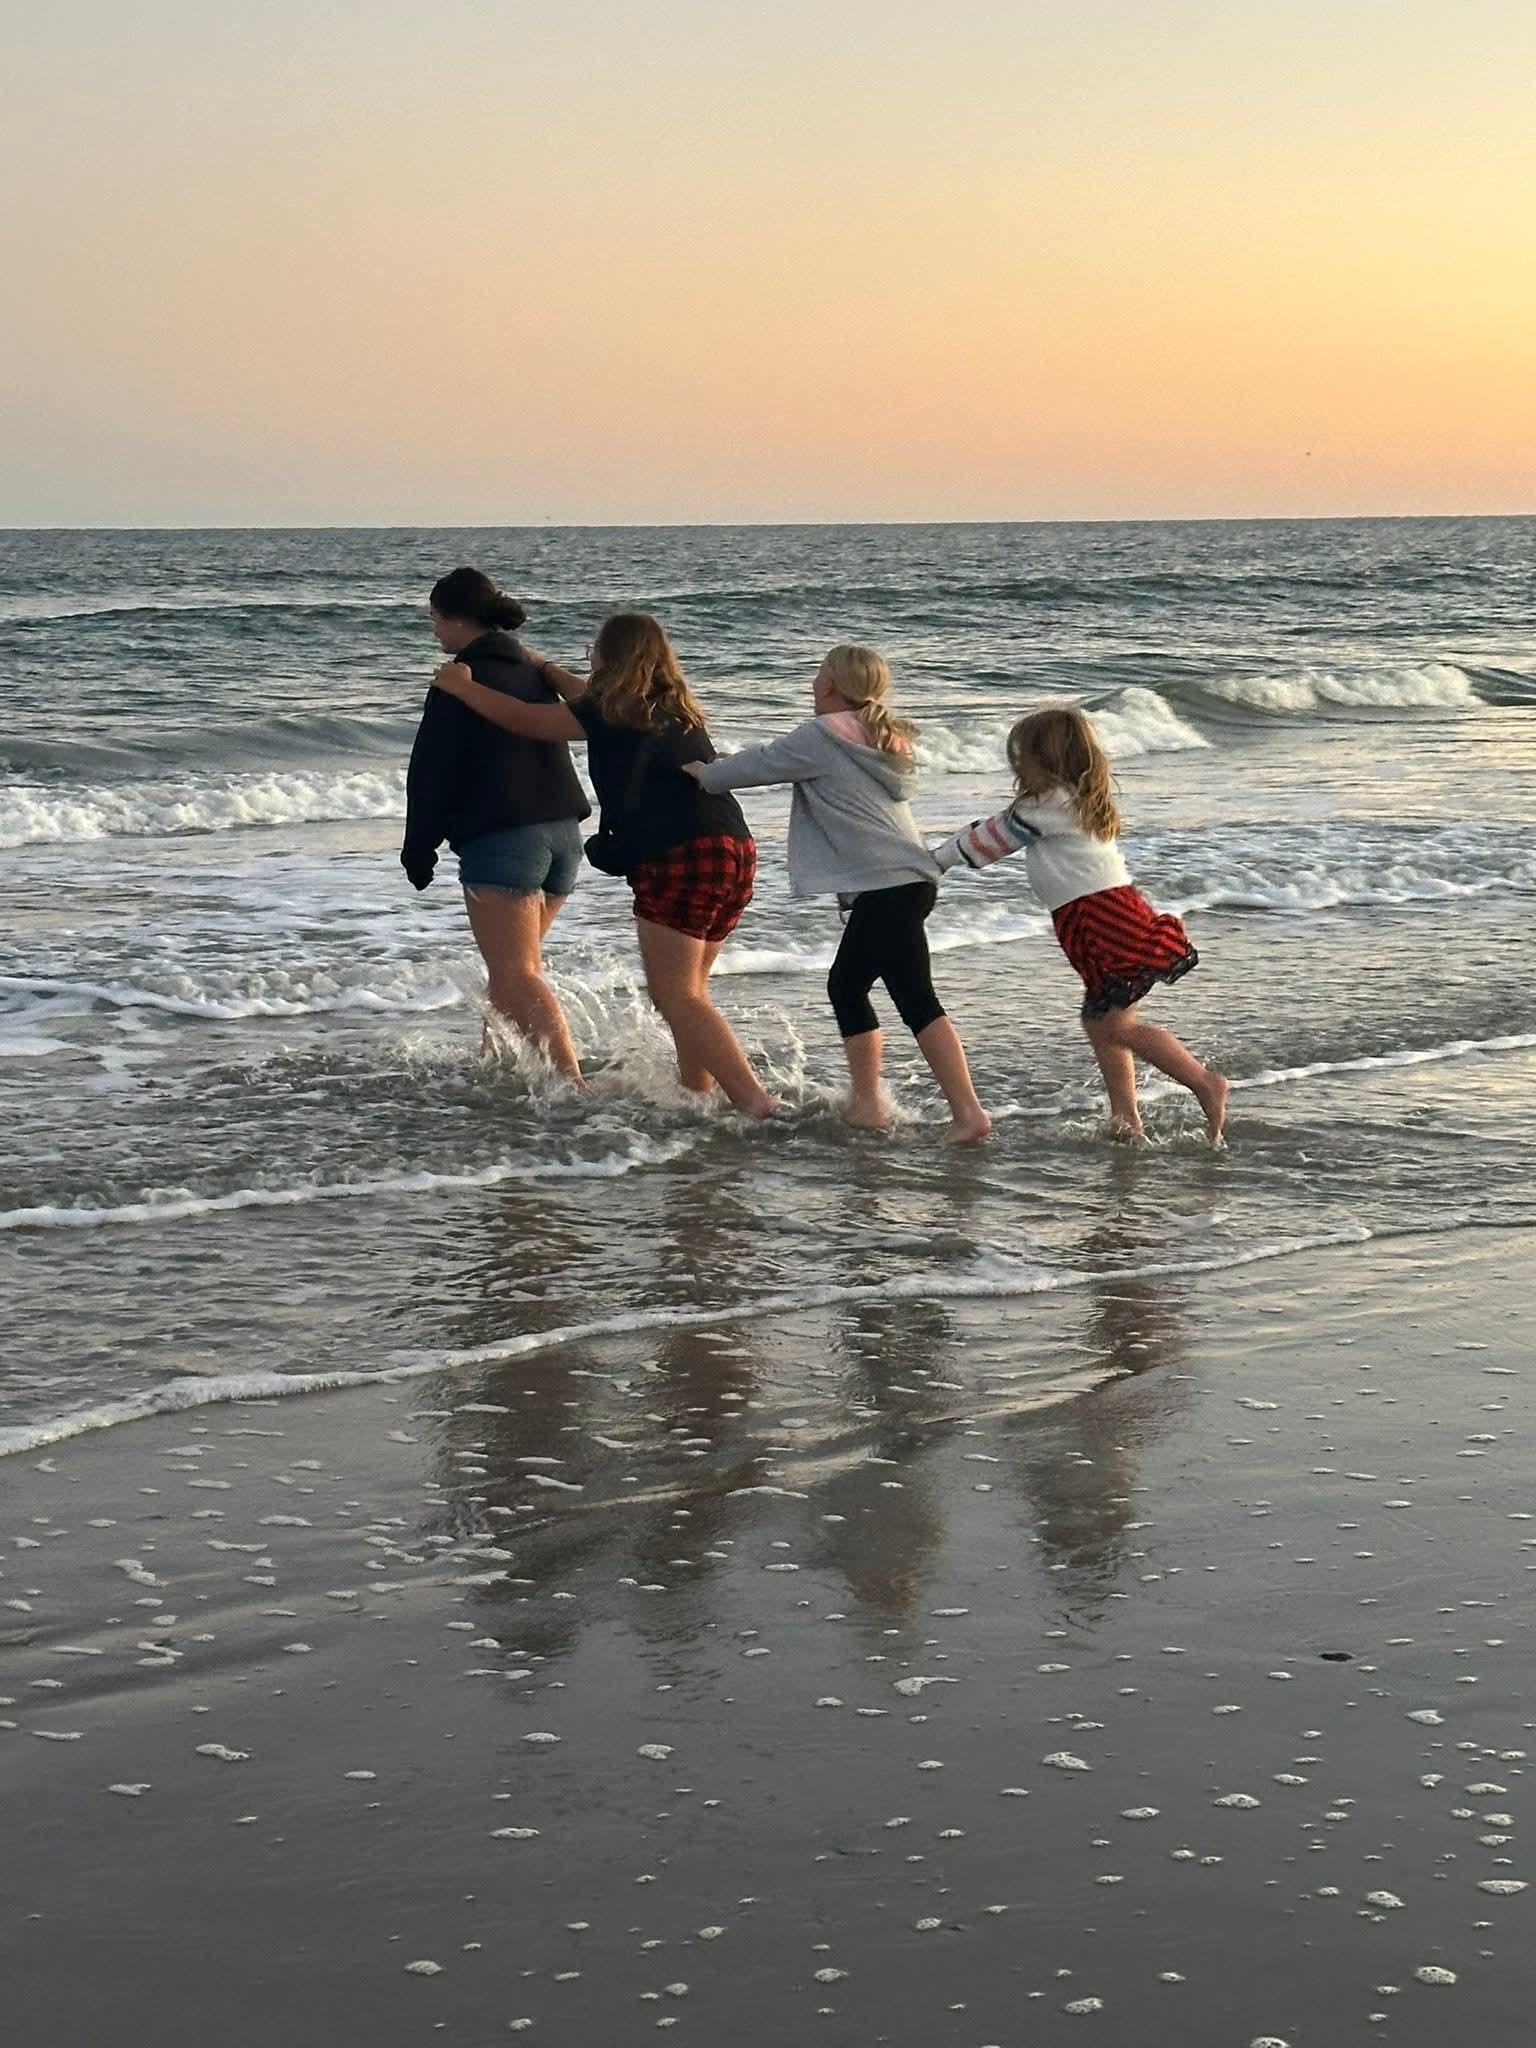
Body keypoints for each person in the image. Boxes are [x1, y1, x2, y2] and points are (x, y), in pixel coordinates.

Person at [432, 612, 775, 1119]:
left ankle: (755, 1104)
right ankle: (698, 1095)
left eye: (595, 650)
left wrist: (462, 688)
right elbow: (585, 699)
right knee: (690, 993)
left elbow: (525, 721)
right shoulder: (676, 708)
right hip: (733, 851)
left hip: (676, 854)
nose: (590, 657)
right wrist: (546, 668)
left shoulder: (611, 710)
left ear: (612, 658)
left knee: (675, 994)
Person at [684, 644, 992, 1143]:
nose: (812, 682)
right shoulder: (876, 736)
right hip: (909, 882)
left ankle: (948, 1112)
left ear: (829, 685)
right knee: (878, 990)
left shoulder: (821, 735)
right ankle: (883, 1105)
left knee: (877, 991)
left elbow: (755, 767)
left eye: (818, 673)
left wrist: (703, 772)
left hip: (888, 886)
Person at [933, 702, 1228, 1143]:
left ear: (1044, 762)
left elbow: (988, 841)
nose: (1016, 769)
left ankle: (1203, 1080)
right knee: (1102, 1019)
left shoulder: (1048, 804)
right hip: (1102, 914)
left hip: (1101, 918)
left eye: (1021, 759)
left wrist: (933, 861)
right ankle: (1126, 1119)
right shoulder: (1076, 799)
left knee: (1116, 1025)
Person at [402, 567, 590, 1082]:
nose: (435, 632)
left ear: (457, 619)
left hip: (506, 841)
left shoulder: (458, 681)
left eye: (436, 621)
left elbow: (431, 770)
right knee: (513, 973)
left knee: (515, 973)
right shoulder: (533, 673)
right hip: (564, 840)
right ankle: (495, 1065)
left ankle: (572, 1084)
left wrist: (418, 848)